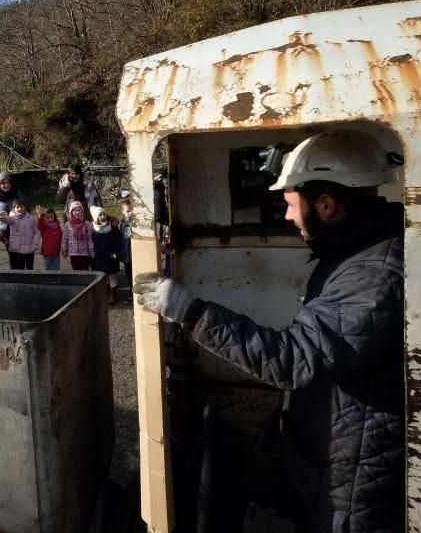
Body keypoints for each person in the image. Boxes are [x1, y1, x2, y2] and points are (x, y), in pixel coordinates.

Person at [135, 132, 405, 533]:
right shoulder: (354, 254)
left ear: (326, 205)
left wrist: (188, 312)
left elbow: (294, 359)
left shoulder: (374, 276)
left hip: (352, 482)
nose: (286, 216)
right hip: (334, 459)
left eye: (290, 204)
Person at [90, 206, 123, 303]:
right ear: (96, 217)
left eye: (103, 214)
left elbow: (118, 240)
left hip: (110, 256)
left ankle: (113, 295)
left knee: (112, 276)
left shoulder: (112, 227)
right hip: (99, 257)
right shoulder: (93, 229)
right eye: (100, 215)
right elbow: (90, 242)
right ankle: (107, 294)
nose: (102, 216)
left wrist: (116, 252)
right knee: (104, 277)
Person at [0, 199, 40, 270]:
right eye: (17, 207)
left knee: (30, 269)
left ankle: (29, 281)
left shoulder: (31, 219)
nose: (20, 209)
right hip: (17, 250)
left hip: (29, 250)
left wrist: (34, 244)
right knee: (19, 270)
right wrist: (1, 217)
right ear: (14, 209)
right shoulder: (12, 218)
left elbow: (37, 232)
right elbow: (6, 219)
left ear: (25, 207)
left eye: (22, 207)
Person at [0, 172, 26, 241]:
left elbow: (26, 206)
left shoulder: (17, 193)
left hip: (18, 226)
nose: (6, 185)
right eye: (3, 183)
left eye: (8, 182)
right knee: (10, 249)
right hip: (5, 229)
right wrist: (1, 216)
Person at [61, 200, 95, 270]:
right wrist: (64, 249)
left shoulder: (86, 223)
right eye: (74, 210)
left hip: (85, 253)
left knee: (85, 270)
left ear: (82, 211)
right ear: (71, 212)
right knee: (76, 271)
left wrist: (92, 250)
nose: (77, 212)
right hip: (73, 253)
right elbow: (65, 238)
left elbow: (90, 238)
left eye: (79, 210)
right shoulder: (67, 224)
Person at [36, 206, 63, 271]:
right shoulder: (44, 227)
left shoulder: (58, 226)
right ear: (44, 218)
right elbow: (40, 224)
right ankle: (50, 280)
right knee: (48, 270)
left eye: (51, 217)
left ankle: (56, 280)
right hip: (47, 252)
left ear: (54, 217)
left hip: (56, 252)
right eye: (47, 217)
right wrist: (41, 215)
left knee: (56, 269)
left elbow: (61, 237)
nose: (50, 219)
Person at [119, 199, 134, 289]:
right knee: (128, 274)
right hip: (126, 255)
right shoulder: (121, 224)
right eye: (128, 211)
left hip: (135, 254)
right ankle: (130, 291)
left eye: (132, 210)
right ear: (123, 212)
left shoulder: (136, 223)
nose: (130, 213)